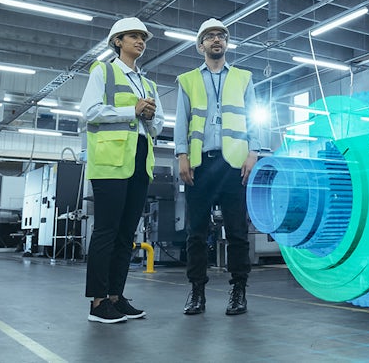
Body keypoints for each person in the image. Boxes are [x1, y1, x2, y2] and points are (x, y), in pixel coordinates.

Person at [80, 17, 164, 323]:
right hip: (110, 162)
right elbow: (89, 112)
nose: (140, 42)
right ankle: (98, 303)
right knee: (106, 231)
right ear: (118, 41)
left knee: (126, 233)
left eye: (143, 38)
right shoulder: (103, 71)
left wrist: (151, 116)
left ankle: (116, 296)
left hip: (140, 160)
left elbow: (157, 126)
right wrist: (133, 110)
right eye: (133, 37)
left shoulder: (148, 83)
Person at [176, 18, 259, 316]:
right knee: (196, 232)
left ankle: (239, 291)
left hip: (234, 163)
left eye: (221, 36)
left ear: (226, 43)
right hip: (200, 163)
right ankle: (196, 291)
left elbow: (253, 117)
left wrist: (254, 152)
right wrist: (181, 155)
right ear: (201, 46)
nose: (216, 40)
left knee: (237, 232)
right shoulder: (187, 80)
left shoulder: (244, 77)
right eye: (210, 36)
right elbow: (181, 121)